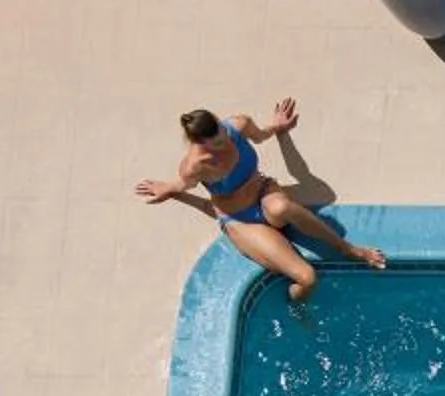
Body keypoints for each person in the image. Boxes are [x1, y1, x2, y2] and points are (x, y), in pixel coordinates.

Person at [136, 98, 385, 299]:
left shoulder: (238, 124)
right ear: (199, 143)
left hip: (263, 192)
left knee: (282, 207)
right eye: (215, 141)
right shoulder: (195, 167)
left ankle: (349, 248)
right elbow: (183, 184)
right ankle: (296, 305)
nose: (224, 139)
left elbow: (261, 135)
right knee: (307, 279)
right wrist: (168, 189)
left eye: (222, 131)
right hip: (241, 220)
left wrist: (278, 128)